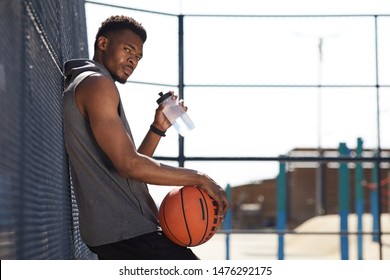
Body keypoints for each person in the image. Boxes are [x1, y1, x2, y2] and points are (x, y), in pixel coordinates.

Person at [62, 15, 230, 260]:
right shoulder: (97, 84)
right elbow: (128, 165)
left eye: (138, 56)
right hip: (127, 233)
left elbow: (125, 167)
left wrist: (157, 128)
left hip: (124, 233)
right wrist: (200, 178)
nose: (133, 59)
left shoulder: (92, 83)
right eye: (127, 49)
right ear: (103, 43)